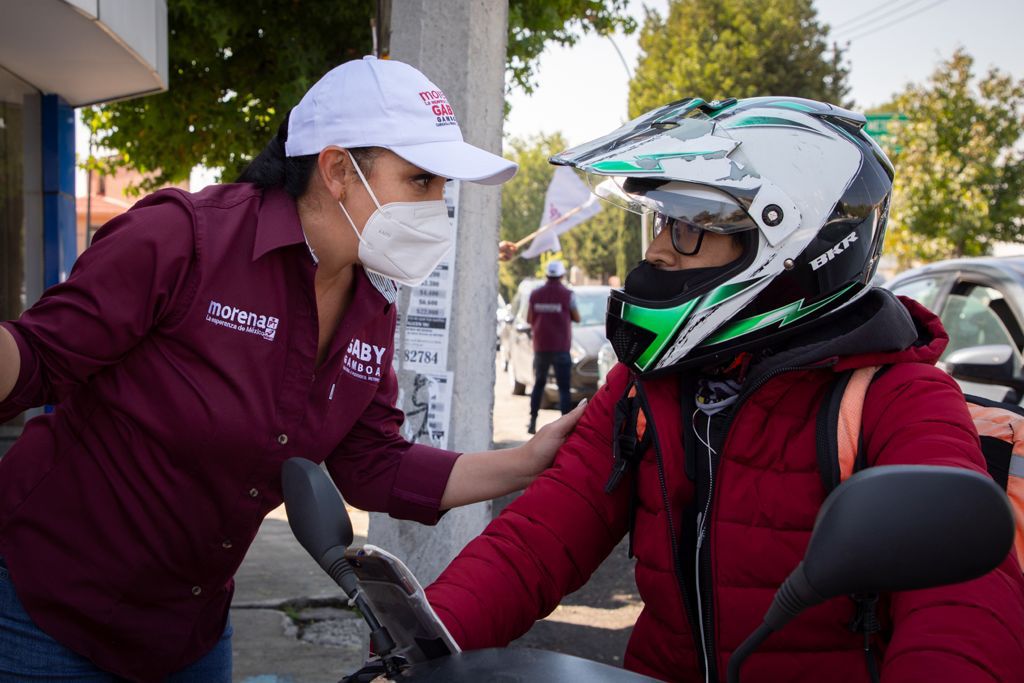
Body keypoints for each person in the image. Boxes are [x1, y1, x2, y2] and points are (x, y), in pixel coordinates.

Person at [0, 56, 584, 682]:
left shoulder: (371, 304)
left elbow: (373, 465)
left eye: (443, 187)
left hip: (186, 636)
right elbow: (34, 360)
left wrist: (527, 462)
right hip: (46, 615)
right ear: (336, 169)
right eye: (420, 180)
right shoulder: (182, 238)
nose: (438, 206)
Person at [425, 97, 1024, 682]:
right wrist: (419, 643)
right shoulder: (644, 390)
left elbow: (961, 612)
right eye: (661, 222)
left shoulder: (900, 401)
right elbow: (537, 540)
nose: (658, 249)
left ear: (786, 244)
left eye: (687, 227)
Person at [526, 259, 580, 434]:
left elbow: (529, 319)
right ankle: (565, 426)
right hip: (561, 348)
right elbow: (577, 317)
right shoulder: (568, 294)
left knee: (539, 384)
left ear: (547, 274)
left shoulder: (535, 294)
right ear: (562, 275)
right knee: (564, 387)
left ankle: (533, 421)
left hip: (541, 348)